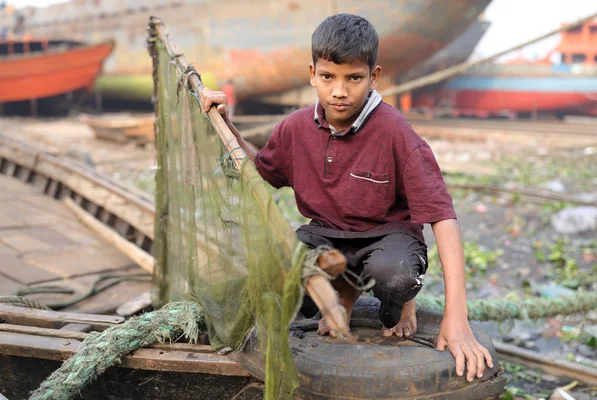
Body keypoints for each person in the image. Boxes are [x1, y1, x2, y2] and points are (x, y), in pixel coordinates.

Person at [201, 13, 493, 383]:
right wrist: (226, 125)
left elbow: (443, 217)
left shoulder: (395, 132)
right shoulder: (294, 128)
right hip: (328, 237)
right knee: (282, 278)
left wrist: (457, 317)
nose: (339, 90)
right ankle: (344, 289)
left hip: (388, 237)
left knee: (395, 277)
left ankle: (401, 301)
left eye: (354, 78)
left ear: (373, 77)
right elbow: (260, 171)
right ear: (312, 73)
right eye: (328, 77)